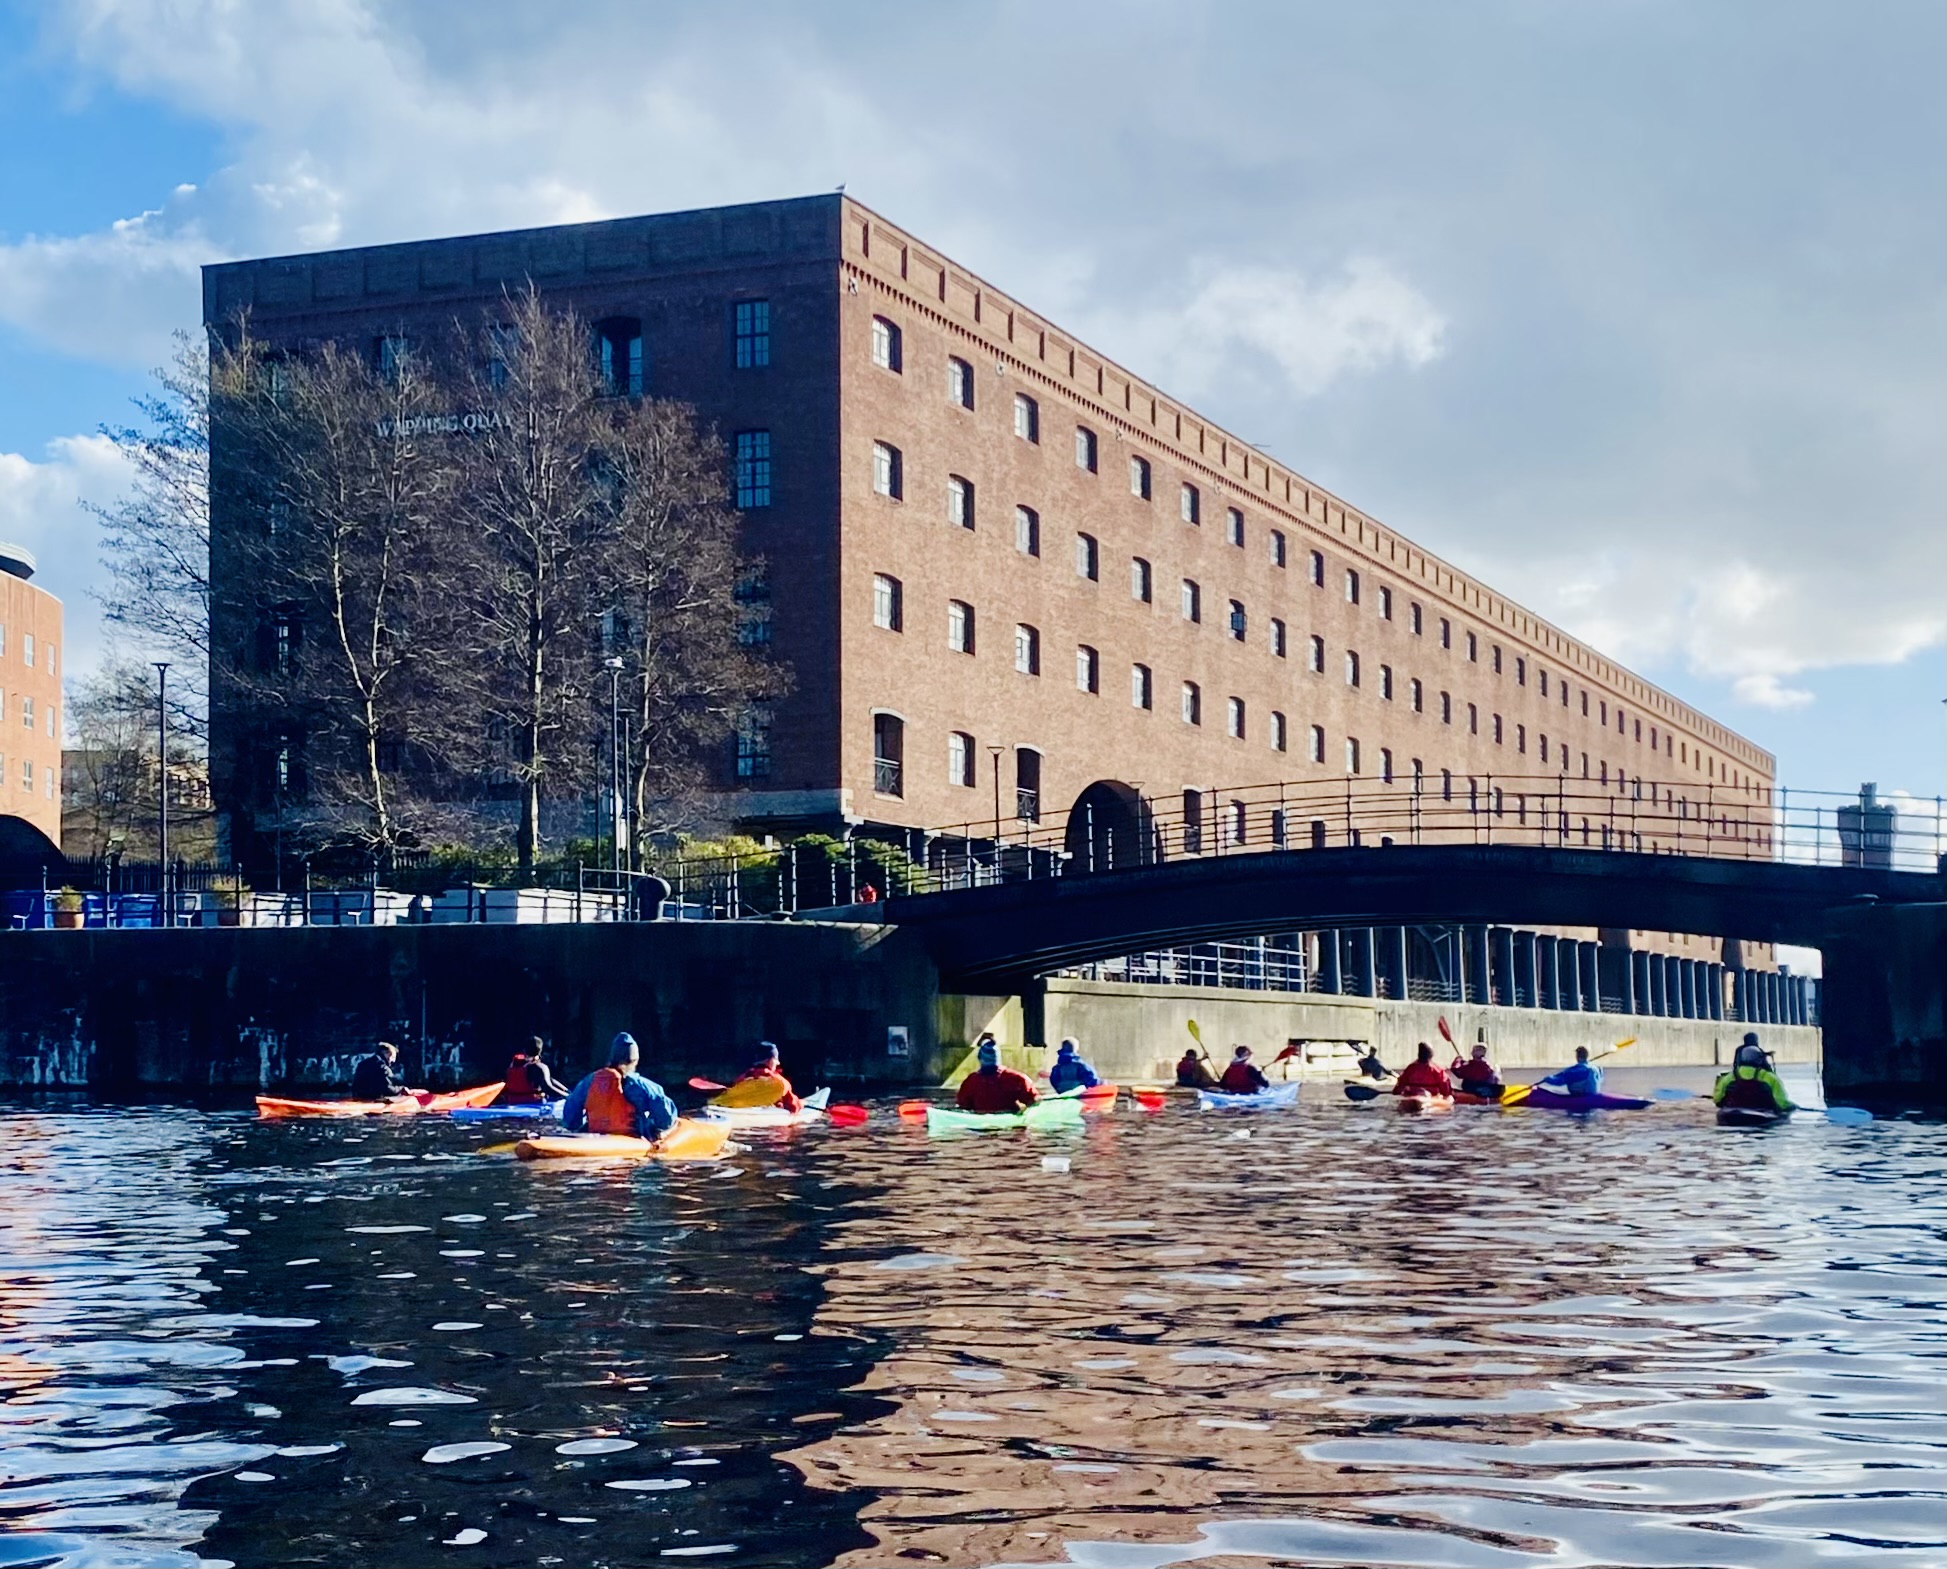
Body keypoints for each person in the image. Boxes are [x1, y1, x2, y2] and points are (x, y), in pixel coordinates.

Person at [563, 1032, 680, 1140]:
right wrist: (660, 1130)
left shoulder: (589, 1081)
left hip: (595, 1136)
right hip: (630, 1138)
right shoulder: (643, 1086)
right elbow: (665, 1119)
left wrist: (575, 1127)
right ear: (635, 1060)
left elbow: (571, 1115)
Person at [1713, 1033, 1795, 1114]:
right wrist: (1791, 1107)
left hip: (1733, 1113)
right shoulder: (1771, 1079)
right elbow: (1782, 1104)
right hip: (1763, 1113)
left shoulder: (1728, 1078)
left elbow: (1717, 1100)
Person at [956, 1036, 1039, 1113]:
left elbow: (963, 1108)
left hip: (981, 1125)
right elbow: (1035, 1103)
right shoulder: (1018, 1079)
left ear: (980, 1058)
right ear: (999, 1058)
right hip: (1010, 1126)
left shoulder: (971, 1082)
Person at [723, 1041, 802, 1112]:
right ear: (770, 1060)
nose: (778, 1063)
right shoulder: (780, 1082)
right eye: (776, 1059)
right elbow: (794, 1107)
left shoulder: (742, 1078)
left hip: (736, 1108)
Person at [500, 1037, 569, 1105]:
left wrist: (567, 1091)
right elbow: (548, 1088)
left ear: (524, 1050)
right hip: (534, 1106)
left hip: (512, 1104)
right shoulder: (539, 1067)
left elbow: (550, 1079)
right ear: (540, 1050)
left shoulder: (513, 1064)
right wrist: (570, 1097)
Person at [1538, 1045, 1603, 1097]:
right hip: (1594, 1093)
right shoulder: (1596, 1068)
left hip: (1582, 1096)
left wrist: (1548, 1079)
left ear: (1577, 1056)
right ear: (1587, 1056)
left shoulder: (1574, 1071)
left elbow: (1559, 1082)